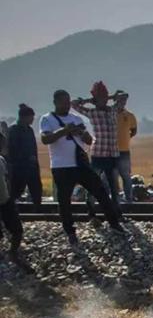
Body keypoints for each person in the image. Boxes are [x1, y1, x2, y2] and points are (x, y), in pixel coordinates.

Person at [40, 89, 124, 245]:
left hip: (80, 163)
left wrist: (81, 133)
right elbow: (46, 139)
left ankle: (114, 223)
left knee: (101, 192)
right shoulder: (47, 119)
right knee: (64, 201)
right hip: (61, 166)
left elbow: (89, 140)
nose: (66, 105)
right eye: (63, 102)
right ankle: (70, 231)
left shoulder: (76, 118)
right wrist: (64, 131)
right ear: (55, 102)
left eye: (68, 102)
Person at [71, 81, 124, 212]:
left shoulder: (113, 110)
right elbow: (74, 104)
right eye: (101, 98)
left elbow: (124, 96)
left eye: (105, 98)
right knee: (93, 185)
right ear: (95, 100)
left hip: (113, 154)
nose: (104, 101)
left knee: (114, 187)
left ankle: (117, 213)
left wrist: (110, 97)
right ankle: (92, 212)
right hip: (98, 155)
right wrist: (91, 100)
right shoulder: (92, 112)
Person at [6, 104, 42, 206]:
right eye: (31, 117)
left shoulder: (29, 130)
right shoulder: (13, 130)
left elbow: (33, 147)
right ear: (24, 117)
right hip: (19, 166)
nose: (33, 119)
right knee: (17, 189)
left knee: (36, 188)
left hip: (31, 165)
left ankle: (38, 208)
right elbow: (12, 149)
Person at [0, 154, 24, 262]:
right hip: (5, 200)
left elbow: (7, 180)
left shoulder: (1, 160)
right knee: (16, 229)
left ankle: (13, 253)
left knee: (17, 229)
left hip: (5, 200)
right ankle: (12, 253)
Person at [115, 92, 137, 204]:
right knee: (111, 176)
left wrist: (127, 138)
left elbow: (134, 130)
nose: (123, 102)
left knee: (126, 176)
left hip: (124, 150)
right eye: (120, 99)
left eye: (124, 100)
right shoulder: (110, 114)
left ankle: (129, 199)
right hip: (111, 151)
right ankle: (116, 199)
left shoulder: (129, 116)